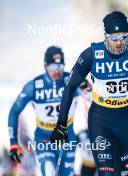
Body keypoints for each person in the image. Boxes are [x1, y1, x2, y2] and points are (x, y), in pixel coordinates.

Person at [50, 11, 128, 176]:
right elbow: (70, 86)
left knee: (121, 173)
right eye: (114, 38)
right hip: (101, 119)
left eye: (123, 37)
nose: (119, 43)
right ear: (106, 35)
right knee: (106, 173)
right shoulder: (91, 54)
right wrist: (61, 124)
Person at [8, 46, 79, 176]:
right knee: (48, 170)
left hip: (68, 138)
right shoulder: (34, 85)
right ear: (45, 66)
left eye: (60, 67)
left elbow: (94, 98)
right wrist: (13, 143)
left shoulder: (73, 80)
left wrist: (88, 89)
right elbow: (14, 111)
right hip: (44, 139)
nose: (57, 71)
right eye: (53, 68)